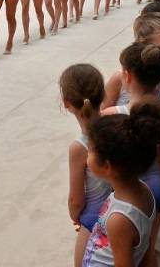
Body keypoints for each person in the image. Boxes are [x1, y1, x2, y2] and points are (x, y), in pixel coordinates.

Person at [102, 42, 160, 267]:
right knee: (148, 249)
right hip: (155, 186)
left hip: (125, 190)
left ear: (127, 76)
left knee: (119, 251)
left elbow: (99, 160)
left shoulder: (112, 115)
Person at [82, 103, 160, 267]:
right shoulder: (144, 192)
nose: (87, 153)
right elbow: (147, 250)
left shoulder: (120, 220)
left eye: (90, 150)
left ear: (107, 166)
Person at [60, 63, 113, 267]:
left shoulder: (80, 148)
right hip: (122, 208)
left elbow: (76, 200)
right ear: (103, 93)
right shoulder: (116, 126)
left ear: (67, 103)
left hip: (93, 218)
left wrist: (76, 217)